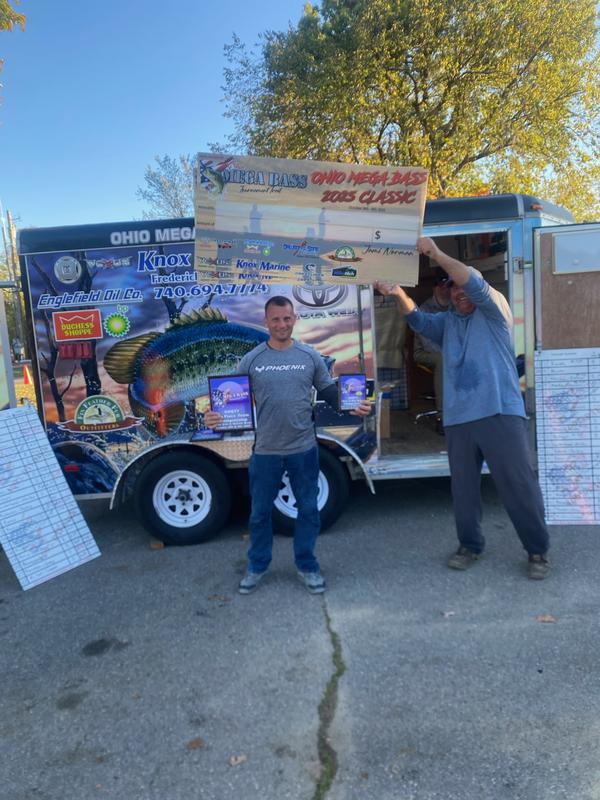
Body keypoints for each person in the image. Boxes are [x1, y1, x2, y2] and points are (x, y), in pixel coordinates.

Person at [375, 237, 550, 580]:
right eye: (452, 288)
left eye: (462, 285)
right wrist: (397, 293)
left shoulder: (493, 309)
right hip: (459, 418)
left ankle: (537, 550)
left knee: (518, 487)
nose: (459, 292)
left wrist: (436, 253)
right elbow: (418, 320)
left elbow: (472, 284)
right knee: (463, 491)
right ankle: (470, 545)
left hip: (499, 413)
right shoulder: (449, 322)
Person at [204, 295, 372, 594]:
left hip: (303, 449)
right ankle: (257, 566)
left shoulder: (309, 356)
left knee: (308, 510)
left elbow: (328, 392)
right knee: (259, 514)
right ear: (266, 322)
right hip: (265, 452)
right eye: (276, 319)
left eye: (286, 318)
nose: (282, 324)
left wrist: (352, 405)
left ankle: (307, 565)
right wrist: (213, 415)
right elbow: (228, 398)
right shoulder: (252, 359)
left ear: (294, 319)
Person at [413, 268, 451, 412]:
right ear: (434, 288)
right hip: (425, 352)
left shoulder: (455, 306)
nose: (444, 290)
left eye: (447, 286)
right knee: (442, 359)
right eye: (440, 287)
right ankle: (442, 412)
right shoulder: (425, 308)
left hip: (451, 349)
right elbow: (428, 344)